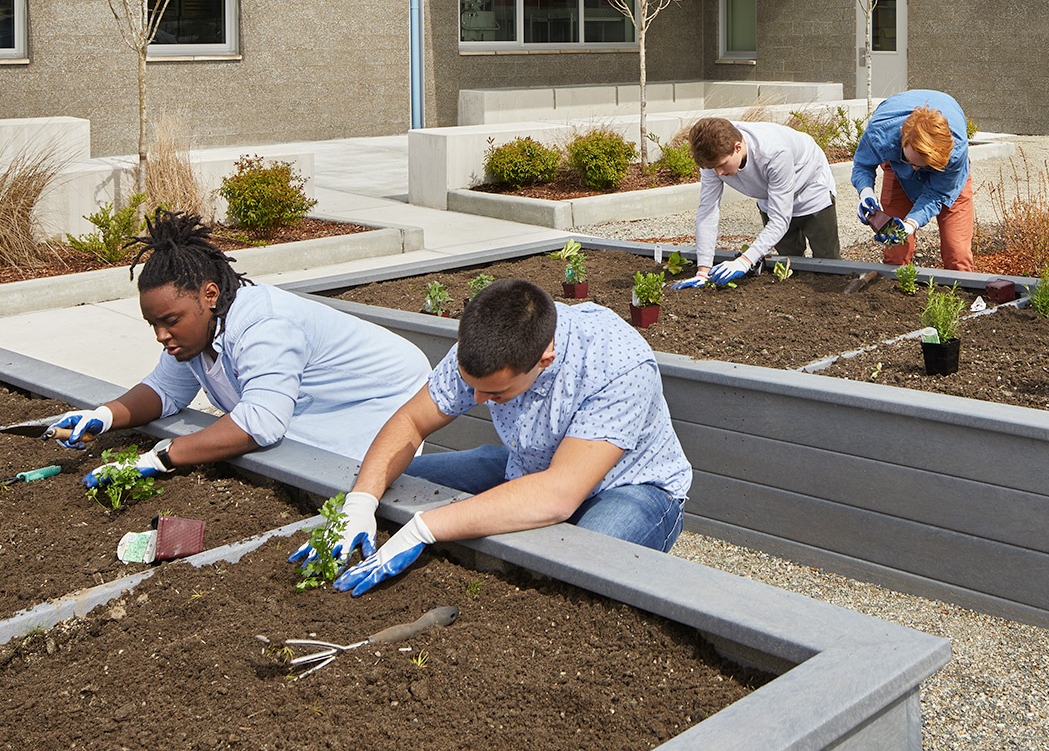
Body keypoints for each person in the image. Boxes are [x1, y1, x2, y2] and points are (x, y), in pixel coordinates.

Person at [306, 278, 692, 595]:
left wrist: (426, 528)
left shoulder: (617, 364)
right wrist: (359, 503)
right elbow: (412, 421)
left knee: (573, 574)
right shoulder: (490, 342)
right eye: (473, 387)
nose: (477, 400)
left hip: (633, 488)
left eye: (494, 394)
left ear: (545, 360)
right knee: (399, 486)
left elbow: (559, 495)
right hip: (527, 468)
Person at [46, 209, 432, 484]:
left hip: (382, 400)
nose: (161, 335)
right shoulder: (197, 334)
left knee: (337, 476)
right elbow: (164, 391)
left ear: (209, 294)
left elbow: (260, 422)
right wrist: (103, 416)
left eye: (170, 321)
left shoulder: (264, 325)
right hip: (327, 404)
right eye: (154, 324)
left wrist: (162, 457)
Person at [671, 117, 840, 290]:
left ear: (738, 147)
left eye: (722, 165)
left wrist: (745, 261)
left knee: (827, 263)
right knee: (790, 263)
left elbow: (780, 220)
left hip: (810, 190)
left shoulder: (773, 151)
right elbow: (708, 211)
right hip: (771, 194)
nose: (719, 172)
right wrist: (703, 271)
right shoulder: (713, 159)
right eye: (714, 168)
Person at [851, 90, 974, 272]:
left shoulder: (955, 152)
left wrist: (910, 224)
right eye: (911, 161)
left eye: (923, 165)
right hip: (897, 173)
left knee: (958, 253)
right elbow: (862, 163)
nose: (915, 170)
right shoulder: (881, 133)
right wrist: (865, 192)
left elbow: (937, 194)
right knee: (895, 253)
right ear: (904, 140)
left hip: (945, 181)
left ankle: (959, 295)